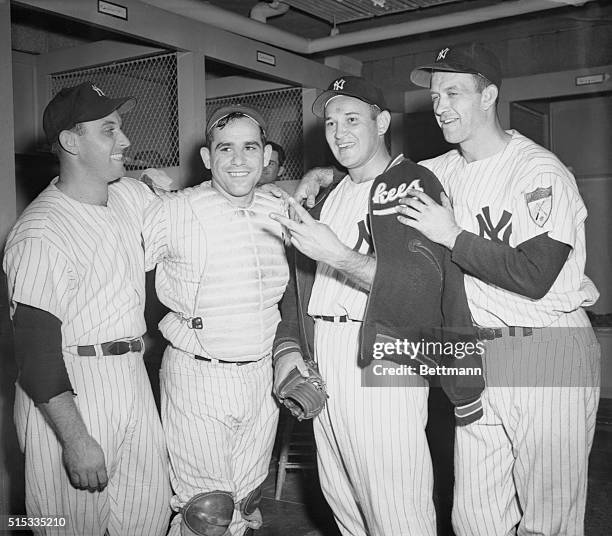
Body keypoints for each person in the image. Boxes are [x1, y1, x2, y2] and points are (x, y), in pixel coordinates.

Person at [393, 43, 601, 536]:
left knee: (547, 517)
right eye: (435, 93)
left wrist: (452, 235)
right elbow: (374, 187)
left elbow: (535, 276)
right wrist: (315, 178)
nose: (440, 104)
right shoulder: (441, 171)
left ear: (488, 96)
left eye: (454, 91)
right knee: (475, 516)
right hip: (480, 348)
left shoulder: (538, 171)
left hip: (546, 342)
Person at [269, 76, 483, 536]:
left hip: (382, 355)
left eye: (352, 119)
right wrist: (293, 347)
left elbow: (420, 288)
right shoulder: (331, 193)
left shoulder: (412, 183)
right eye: (330, 122)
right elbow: (302, 287)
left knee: (396, 507)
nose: (340, 132)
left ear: (382, 121)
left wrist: (339, 256)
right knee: (343, 500)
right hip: (327, 354)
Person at [3, 82, 171, 535]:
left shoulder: (130, 196)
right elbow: (36, 356)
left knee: (149, 520)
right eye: (109, 130)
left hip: (132, 377)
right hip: (68, 391)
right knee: (64, 526)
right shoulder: (40, 233)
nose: (126, 141)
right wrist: (75, 440)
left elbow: (202, 218)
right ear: (70, 142)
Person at [142, 105, 289, 536]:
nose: (239, 160)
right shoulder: (174, 211)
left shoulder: (279, 207)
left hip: (261, 376)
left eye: (250, 147)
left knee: (245, 505)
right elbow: (118, 270)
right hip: (199, 375)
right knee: (207, 513)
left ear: (266, 157)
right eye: (226, 148)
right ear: (208, 158)